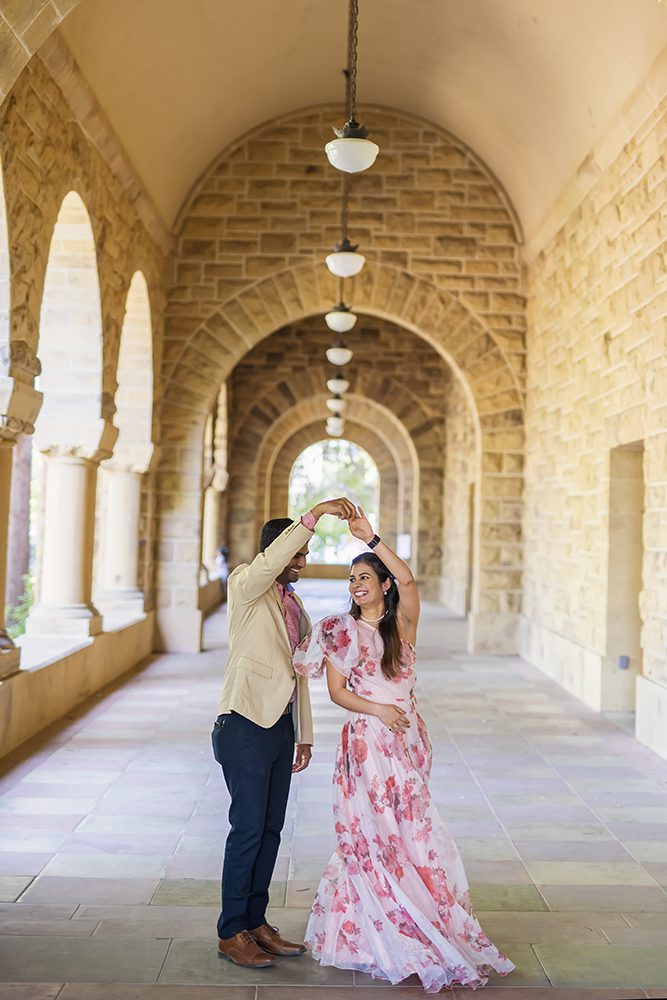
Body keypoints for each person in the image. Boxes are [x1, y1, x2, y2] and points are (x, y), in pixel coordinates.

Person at [293, 507, 515, 992]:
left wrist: (371, 538)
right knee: (372, 833)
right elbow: (336, 693)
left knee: (411, 831)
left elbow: (410, 581)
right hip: (368, 744)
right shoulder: (340, 631)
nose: (356, 584)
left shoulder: (402, 629)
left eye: (365, 577)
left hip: (408, 741)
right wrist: (378, 711)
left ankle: (421, 913)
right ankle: (377, 931)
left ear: (383, 584)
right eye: (351, 578)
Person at [212, 497, 357, 970]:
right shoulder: (245, 586)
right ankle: (231, 930)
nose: (303, 561)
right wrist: (314, 514)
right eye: (298, 554)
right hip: (245, 724)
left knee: (271, 831)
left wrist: (304, 734)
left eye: (306, 554)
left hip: (279, 727)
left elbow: (298, 673)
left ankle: (256, 922)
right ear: (276, 551)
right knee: (248, 829)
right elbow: (270, 563)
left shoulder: (295, 605)